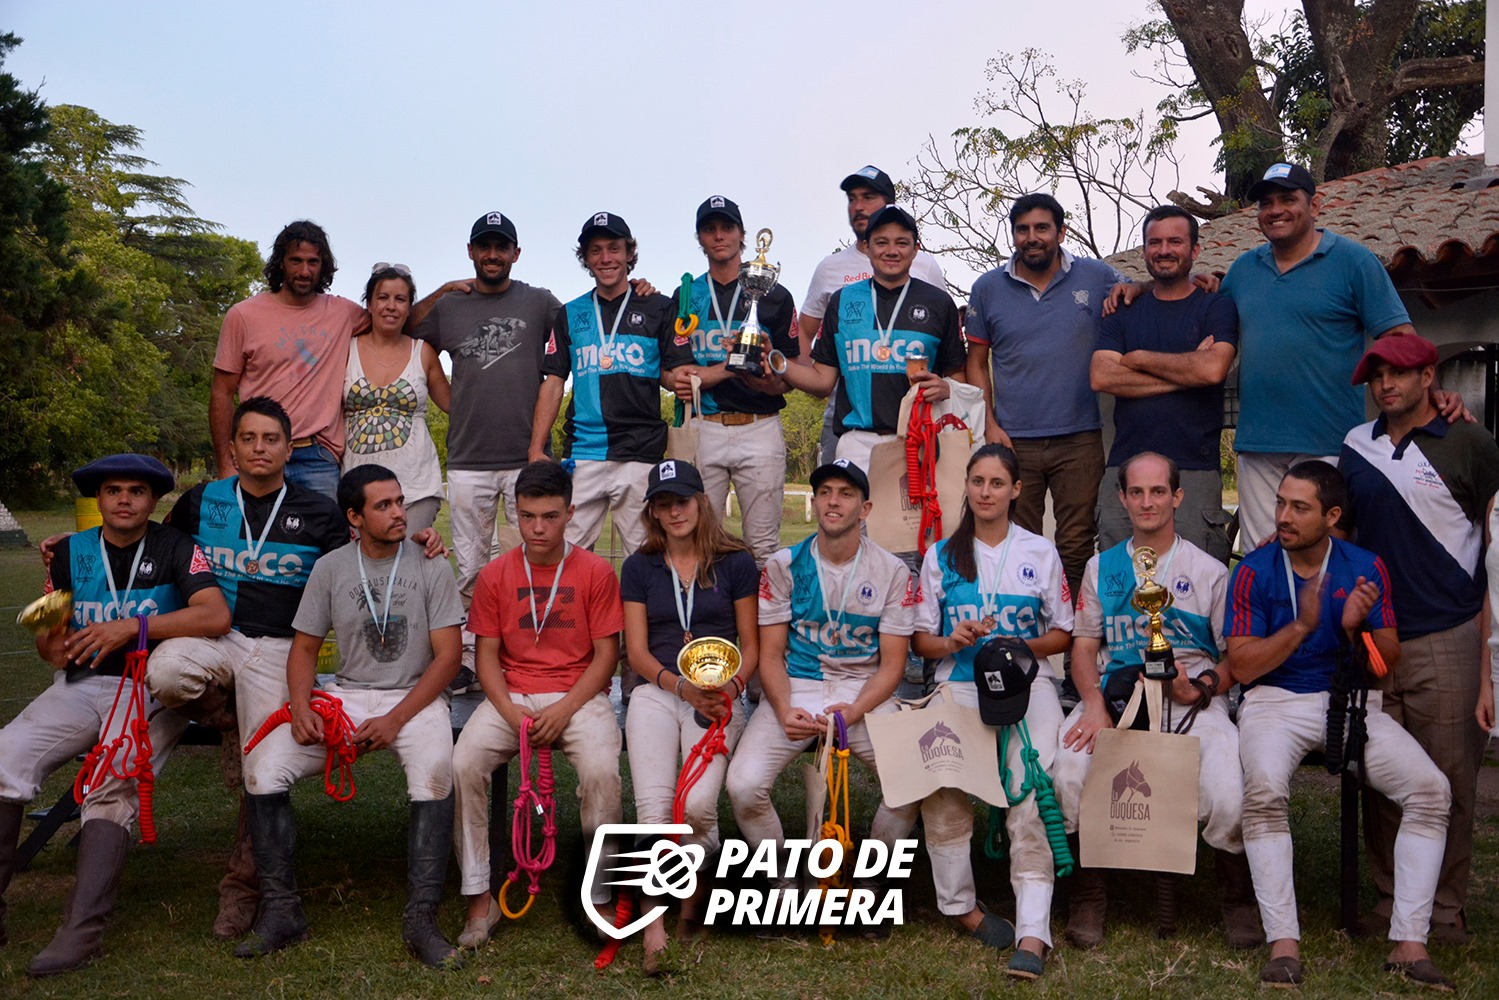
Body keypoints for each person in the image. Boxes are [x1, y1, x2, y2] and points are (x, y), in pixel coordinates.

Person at [1, 455, 229, 976]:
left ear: (153, 502)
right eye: (112, 490)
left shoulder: (176, 547)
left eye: (136, 491)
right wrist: (50, 636)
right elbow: (49, 643)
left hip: (149, 687)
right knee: (6, 754)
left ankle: (82, 930)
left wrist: (131, 629)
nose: (124, 499)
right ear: (98, 500)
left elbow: (215, 615)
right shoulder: (69, 552)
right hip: (81, 684)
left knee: (112, 780)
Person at [1227, 461, 1452, 990]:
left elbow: (1385, 661)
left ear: (1331, 515)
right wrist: (1304, 625)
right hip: (1273, 701)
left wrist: (1358, 630)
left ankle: (1409, 942)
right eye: (1280, 502)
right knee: (1262, 794)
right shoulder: (1254, 570)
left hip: (1351, 701)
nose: (1282, 516)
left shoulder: (1366, 567)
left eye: (1298, 508)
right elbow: (1241, 667)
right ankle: (1283, 943)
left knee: (1431, 791)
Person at [236, 465, 465, 968]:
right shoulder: (331, 567)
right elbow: (303, 650)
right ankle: (281, 911)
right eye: (383, 506)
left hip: (415, 696)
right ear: (354, 517)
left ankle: (421, 919)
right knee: (261, 770)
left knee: (433, 774)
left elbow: (448, 659)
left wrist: (396, 720)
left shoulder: (431, 564)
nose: (399, 513)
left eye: (400, 502)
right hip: (347, 696)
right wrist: (299, 707)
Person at [143, 397, 349, 940]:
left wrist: (421, 540)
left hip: (280, 648)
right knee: (164, 674)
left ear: (288, 448)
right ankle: (228, 719)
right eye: (249, 439)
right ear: (231, 447)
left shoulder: (321, 510)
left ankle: (242, 892)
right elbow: (152, 548)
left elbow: (357, 565)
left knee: (263, 775)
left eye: (271, 439)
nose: (260, 449)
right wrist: (66, 551)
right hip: (213, 635)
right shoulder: (200, 501)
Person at [1052, 452, 1256, 950]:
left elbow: (1236, 661)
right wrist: (1093, 704)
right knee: (1067, 773)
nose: (1147, 502)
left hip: (1191, 701)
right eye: (1137, 492)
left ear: (1177, 497)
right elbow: (1083, 647)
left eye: (1158, 491)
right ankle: (1089, 893)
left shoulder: (1208, 571)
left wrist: (1203, 688)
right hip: (1116, 697)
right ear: (1122, 499)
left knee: (1229, 791)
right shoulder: (1103, 568)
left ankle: (1235, 897)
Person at [1337, 333, 1499, 945]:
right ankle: (1390, 898)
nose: (1386, 385)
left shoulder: (1471, 443)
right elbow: (1344, 534)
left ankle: (1445, 909)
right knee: (1383, 776)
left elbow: (1496, 543)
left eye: (1400, 374)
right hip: (1380, 640)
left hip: (1450, 634)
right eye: (1376, 376)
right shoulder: (1355, 447)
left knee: (1452, 780)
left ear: (1430, 375)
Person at [1218, 163, 1463, 550]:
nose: (1275, 209)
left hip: (1329, 441)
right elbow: (1209, 325)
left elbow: (1399, 337)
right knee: (1261, 561)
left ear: (1315, 204)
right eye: (1266, 202)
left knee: (1323, 557)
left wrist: (1433, 395)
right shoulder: (1242, 270)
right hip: (1258, 443)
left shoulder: (1353, 261)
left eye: (1288, 199)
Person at [908, 444, 1073, 978]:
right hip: (958, 684)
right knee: (944, 787)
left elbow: (1064, 632)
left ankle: (1033, 930)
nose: (985, 492)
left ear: (1016, 490)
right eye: (977, 481)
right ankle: (963, 909)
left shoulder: (1040, 552)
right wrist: (952, 640)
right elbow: (919, 642)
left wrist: (1019, 647)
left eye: (997, 483)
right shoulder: (941, 555)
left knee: (1031, 789)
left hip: (1027, 685)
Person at [449, 460, 625, 948]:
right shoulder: (495, 575)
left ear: (570, 513)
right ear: (515, 515)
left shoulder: (594, 571)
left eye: (549, 516)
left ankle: (602, 896)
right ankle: (479, 895)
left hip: (579, 695)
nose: (538, 528)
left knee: (600, 773)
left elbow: (607, 656)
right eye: (527, 517)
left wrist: (565, 709)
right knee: (464, 763)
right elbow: (485, 657)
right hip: (513, 695)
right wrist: (511, 713)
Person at [724, 460, 920, 892]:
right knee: (743, 784)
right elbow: (771, 656)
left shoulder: (892, 571)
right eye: (826, 492)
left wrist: (854, 711)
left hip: (863, 690)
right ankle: (785, 884)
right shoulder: (783, 564)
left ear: (865, 508)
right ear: (814, 502)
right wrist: (783, 708)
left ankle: (867, 886)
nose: (834, 501)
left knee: (910, 785)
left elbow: (893, 665)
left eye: (846, 494)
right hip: (799, 684)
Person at [620, 459, 759, 972]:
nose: (674, 511)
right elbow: (635, 652)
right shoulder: (639, 566)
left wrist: (731, 686)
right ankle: (654, 926)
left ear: (703, 502)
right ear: (653, 512)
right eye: (663, 503)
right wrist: (680, 686)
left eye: (682, 500)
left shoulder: (737, 561)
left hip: (721, 693)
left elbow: (752, 645)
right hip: (659, 690)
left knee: (699, 807)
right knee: (655, 811)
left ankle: (695, 895)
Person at [965, 192, 1130, 599]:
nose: (1032, 237)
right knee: (1018, 542)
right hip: (1012, 440)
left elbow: (1139, 292)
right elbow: (975, 363)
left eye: (1042, 228)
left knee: (1075, 544)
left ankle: (1073, 647)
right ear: (1013, 235)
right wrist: (989, 423)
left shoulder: (1096, 276)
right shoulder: (987, 288)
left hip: (1080, 436)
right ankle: (1021, 639)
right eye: (1023, 229)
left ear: (1061, 231)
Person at [409, 212, 563, 606]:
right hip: (468, 459)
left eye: (501, 247)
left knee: (533, 562)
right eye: (484, 246)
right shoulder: (451, 305)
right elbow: (401, 328)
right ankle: (470, 653)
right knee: (472, 568)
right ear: (471, 251)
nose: (492, 255)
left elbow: (584, 326)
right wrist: (441, 291)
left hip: (525, 458)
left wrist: (633, 289)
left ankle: (530, 649)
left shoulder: (539, 301)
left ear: (516, 253)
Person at [533, 213, 694, 556]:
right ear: (586, 259)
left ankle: (641, 613)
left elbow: (672, 371)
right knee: (565, 556)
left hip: (640, 452)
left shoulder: (658, 306)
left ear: (628, 253)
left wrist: (678, 379)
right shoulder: (570, 313)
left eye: (614, 248)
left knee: (646, 557)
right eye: (596, 251)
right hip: (583, 452)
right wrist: (536, 449)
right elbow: (554, 381)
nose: (606, 258)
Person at [1090, 206, 1238, 562]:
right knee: (1119, 588)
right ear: (1144, 251)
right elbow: (1103, 375)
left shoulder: (1215, 306)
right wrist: (1188, 373)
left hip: (1194, 469)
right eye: (1154, 242)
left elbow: (1213, 370)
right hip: (1125, 467)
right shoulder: (1122, 309)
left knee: (1196, 589)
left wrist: (1138, 359)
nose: (1164, 250)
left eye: (1175, 241)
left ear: (1196, 250)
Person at [779, 204, 966, 473]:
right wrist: (778, 363)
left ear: (916, 249)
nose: (891, 251)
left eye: (902, 243)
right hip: (857, 442)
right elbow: (822, 381)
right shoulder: (842, 300)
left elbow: (958, 373)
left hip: (920, 438)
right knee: (858, 517)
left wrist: (947, 388)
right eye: (881, 242)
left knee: (920, 517)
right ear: (867, 248)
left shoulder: (938, 302)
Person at [668, 196, 799, 566]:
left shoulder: (774, 293)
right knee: (699, 542)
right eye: (710, 229)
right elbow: (679, 373)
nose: (719, 236)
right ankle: (713, 626)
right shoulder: (686, 295)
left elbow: (788, 375)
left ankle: (764, 625)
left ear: (742, 234)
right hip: (703, 427)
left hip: (759, 426)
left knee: (763, 548)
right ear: (700, 238)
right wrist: (732, 365)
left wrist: (769, 378)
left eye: (727, 228)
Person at [797, 165, 947, 464]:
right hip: (849, 416)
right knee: (843, 504)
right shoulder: (830, 268)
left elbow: (943, 338)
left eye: (867, 197)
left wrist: (944, 387)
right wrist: (813, 377)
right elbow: (804, 331)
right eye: (852, 199)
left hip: (915, 419)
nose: (858, 206)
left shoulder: (925, 266)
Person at [211, 220, 365, 498]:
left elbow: (397, 319)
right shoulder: (243, 315)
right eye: (296, 260)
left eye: (313, 262)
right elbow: (222, 392)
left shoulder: (343, 313)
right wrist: (225, 463)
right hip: (260, 452)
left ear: (324, 265)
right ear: (281, 262)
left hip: (318, 457)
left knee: (325, 541)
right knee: (255, 539)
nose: (305, 271)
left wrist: (445, 293)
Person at [343, 263, 450, 534]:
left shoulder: (423, 353)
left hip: (415, 486)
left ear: (409, 307)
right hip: (357, 488)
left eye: (400, 299)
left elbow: (455, 407)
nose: (391, 306)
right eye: (383, 297)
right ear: (369, 303)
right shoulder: (346, 349)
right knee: (364, 570)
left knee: (406, 567)